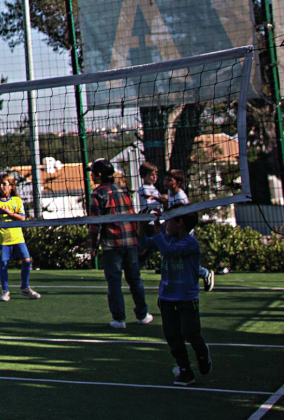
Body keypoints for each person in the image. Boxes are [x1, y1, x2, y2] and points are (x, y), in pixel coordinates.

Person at [89, 160, 153, 330]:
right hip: (130, 242)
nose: (91, 175)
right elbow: (132, 216)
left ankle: (119, 319)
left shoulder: (97, 193)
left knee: (114, 282)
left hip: (112, 244)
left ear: (99, 175)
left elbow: (95, 224)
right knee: (135, 280)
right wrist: (138, 241)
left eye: (93, 172)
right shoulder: (123, 190)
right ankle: (143, 315)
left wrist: (93, 246)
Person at [148, 211, 210, 386]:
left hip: (186, 297)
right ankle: (185, 370)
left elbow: (168, 252)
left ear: (180, 222)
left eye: (168, 221)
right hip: (167, 297)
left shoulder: (190, 242)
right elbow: (145, 243)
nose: (166, 224)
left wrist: (157, 229)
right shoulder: (168, 238)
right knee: (173, 336)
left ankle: (202, 351)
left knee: (190, 332)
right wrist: (141, 225)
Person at [163, 168, 213, 292]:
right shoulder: (170, 193)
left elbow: (183, 218)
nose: (166, 182)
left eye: (169, 180)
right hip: (175, 231)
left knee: (183, 260)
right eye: (166, 179)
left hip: (184, 232)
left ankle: (204, 273)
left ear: (178, 183)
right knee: (177, 260)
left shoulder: (181, 197)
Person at [0, 173, 38, 302]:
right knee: (3, 264)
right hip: (2, 239)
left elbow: (22, 218)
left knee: (27, 261)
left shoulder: (17, 201)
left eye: (4, 184)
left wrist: (8, 213)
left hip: (17, 238)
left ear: (11, 186)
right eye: (0, 184)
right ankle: (5, 291)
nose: (1, 187)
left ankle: (25, 288)